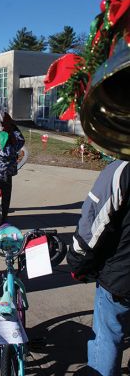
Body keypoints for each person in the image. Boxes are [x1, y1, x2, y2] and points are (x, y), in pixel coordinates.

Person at [67, 159, 130, 375]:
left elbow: (91, 226)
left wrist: (77, 262)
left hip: (121, 277)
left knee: (107, 338)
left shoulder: (122, 169)